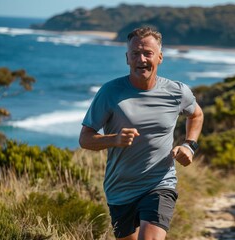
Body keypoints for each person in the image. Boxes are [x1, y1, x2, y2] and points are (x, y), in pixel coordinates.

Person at [79, 27, 204, 240]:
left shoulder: (176, 91)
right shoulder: (110, 93)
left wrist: (189, 145)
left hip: (160, 182)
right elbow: (85, 139)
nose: (142, 59)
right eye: (135, 53)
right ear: (127, 58)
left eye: (148, 53)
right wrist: (114, 139)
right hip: (120, 189)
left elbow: (197, 115)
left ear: (160, 57)